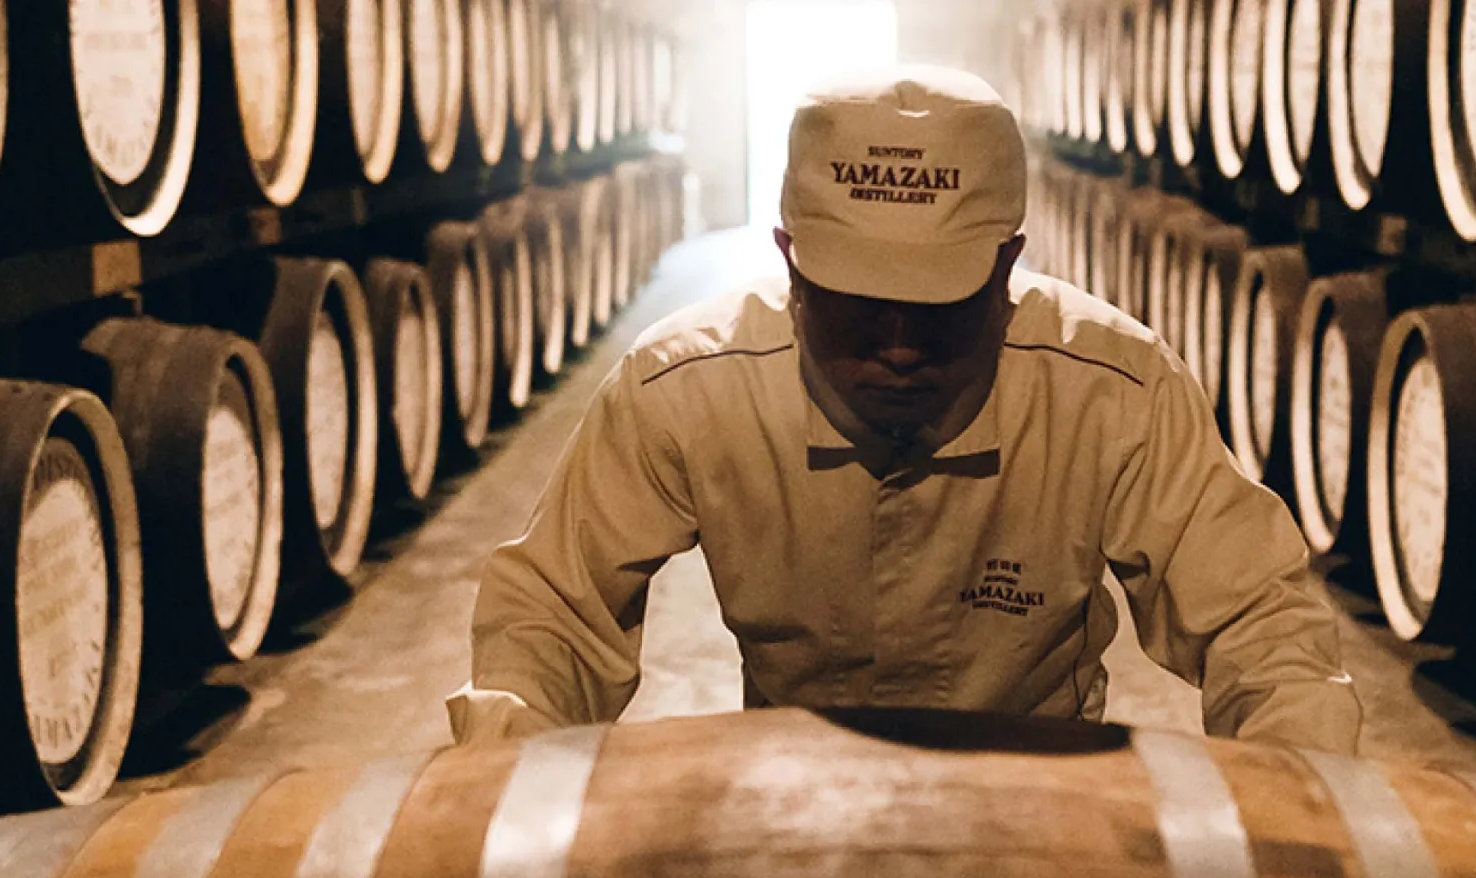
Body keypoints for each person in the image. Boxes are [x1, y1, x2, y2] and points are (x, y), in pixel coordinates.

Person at [446, 64, 1361, 753]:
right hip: (789, 791)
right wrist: (511, 775)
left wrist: (1297, 803)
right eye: (855, 301)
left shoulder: (1112, 388)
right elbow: (555, 615)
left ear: (1008, 265)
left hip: (1044, 802)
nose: (895, 345)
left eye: (937, 305)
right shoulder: (685, 385)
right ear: (789, 260)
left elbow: (1256, 623)